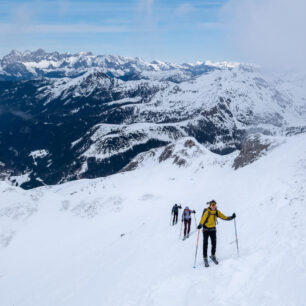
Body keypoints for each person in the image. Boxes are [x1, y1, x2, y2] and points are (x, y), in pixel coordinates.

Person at [197, 200, 236, 267]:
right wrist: (200, 224)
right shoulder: (207, 212)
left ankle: (213, 255)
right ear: (210, 205)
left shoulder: (216, 212)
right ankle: (205, 258)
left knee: (214, 243)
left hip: (213, 230)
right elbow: (202, 219)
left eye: (214, 205)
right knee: (205, 243)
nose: (213, 206)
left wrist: (231, 217)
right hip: (205, 230)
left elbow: (224, 217)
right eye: (212, 205)